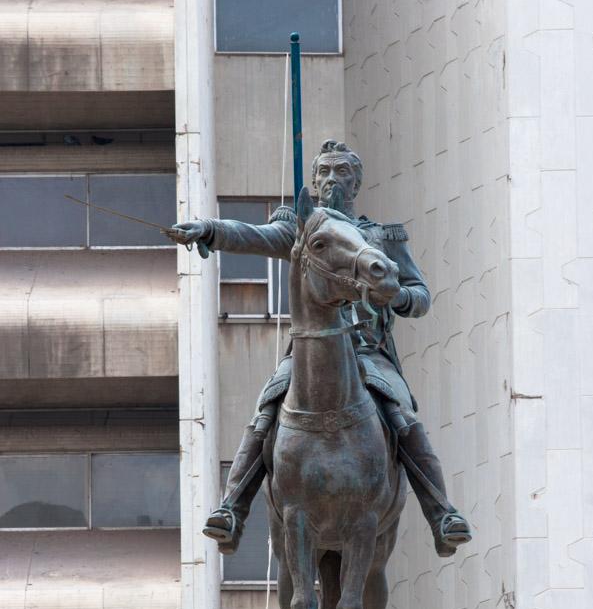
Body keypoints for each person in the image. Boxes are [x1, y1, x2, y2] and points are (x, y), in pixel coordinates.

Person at [170, 139, 471, 558]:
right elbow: (254, 236)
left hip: (368, 353)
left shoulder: (380, 237)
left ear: (357, 182)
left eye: (342, 172)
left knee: (399, 412)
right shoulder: (302, 229)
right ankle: (232, 508)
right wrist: (210, 230)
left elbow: (419, 295)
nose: (332, 180)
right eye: (325, 172)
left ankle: (441, 512)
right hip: (311, 352)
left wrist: (397, 298)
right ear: (313, 181)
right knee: (267, 407)